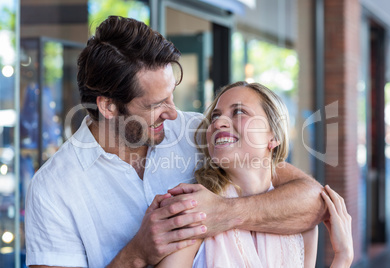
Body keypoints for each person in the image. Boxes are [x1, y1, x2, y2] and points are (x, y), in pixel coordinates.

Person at [25, 16, 326, 268]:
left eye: (172, 95)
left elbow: (309, 198)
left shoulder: (199, 132)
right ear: (108, 107)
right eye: (157, 104)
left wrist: (222, 212)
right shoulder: (53, 189)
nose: (173, 113)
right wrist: (137, 254)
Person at [157, 82, 353, 267]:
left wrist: (342, 258)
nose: (218, 123)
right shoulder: (194, 212)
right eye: (215, 116)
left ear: (274, 136)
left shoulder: (300, 222)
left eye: (239, 112)